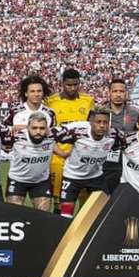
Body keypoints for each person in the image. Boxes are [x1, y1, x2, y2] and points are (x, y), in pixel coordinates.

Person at [55, 106, 123, 218]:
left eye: (105, 122)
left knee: (105, 209)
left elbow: (129, 144)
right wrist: (61, 153)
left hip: (95, 177)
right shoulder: (76, 132)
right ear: (90, 122)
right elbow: (50, 136)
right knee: (66, 214)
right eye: (98, 122)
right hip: (72, 176)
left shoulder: (113, 135)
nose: (102, 125)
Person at [45, 69, 96, 211]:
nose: (72, 88)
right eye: (69, 85)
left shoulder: (88, 101)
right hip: (58, 156)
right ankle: (60, 227)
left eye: (75, 84)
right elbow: (48, 131)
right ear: (62, 84)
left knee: (84, 198)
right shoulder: (51, 102)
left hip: (81, 156)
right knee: (60, 199)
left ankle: (82, 228)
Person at [5, 112, 68, 211]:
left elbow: (72, 130)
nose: (38, 131)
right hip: (18, 180)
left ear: (47, 128)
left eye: (42, 128)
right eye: (34, 128)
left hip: (41, 181)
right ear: (28, 128)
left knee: (43, 216)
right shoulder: (17, 137)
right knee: (14, 215)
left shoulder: (51, 137)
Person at [104, 78, 139, 191]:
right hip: (103, 162)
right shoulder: (100, 111)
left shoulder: (135, 113)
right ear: (109, 92)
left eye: (121, 91)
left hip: (127, 162)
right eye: (115, 91)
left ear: (126, 93)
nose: (118, 94)